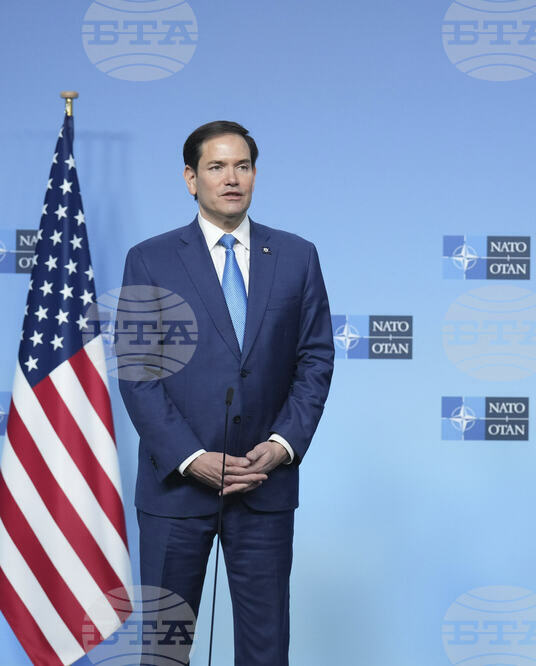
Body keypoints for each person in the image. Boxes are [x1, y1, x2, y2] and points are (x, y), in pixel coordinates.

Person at [118, 120, 334, 665]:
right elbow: (139, 372)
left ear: (255, 175)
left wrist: (283, 445)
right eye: (216, 167)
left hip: (264, 484)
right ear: (191, 179)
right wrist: (191, 457)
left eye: (242, 166)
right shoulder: (150, 258)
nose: (231, 178)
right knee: (164, 653)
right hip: (174, 491)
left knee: (266, 651)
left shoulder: (297, 256)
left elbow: (315, 359)